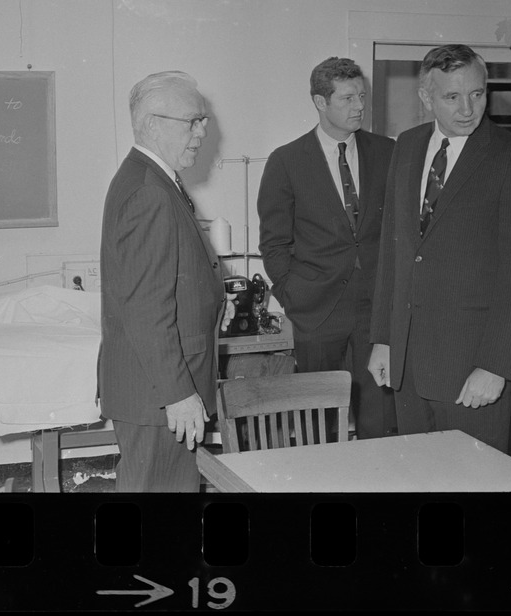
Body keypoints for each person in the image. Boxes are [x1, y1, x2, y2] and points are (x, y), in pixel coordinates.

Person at [367, 44, 511, 454]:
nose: (468, 109)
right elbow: (393, 253)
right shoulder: (407, 146)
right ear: (426, 98)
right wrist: (383, 337)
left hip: (471, 367)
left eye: (477, 94)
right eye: (452, 97)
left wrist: (495, 366)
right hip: (407, 363)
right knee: (417, 479)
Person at [97, 71, 234, 493]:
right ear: (154, 124)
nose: (203, 131)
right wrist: (178, 394)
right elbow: (145, 308)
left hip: (153, 388)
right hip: (159, 394)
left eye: (204, 121)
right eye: (192, 121)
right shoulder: (149, 192)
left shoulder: (152, 180)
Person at [257, 57, 397, 439]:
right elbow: (273, 242)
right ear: (320, 102)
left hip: (375, 310)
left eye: (362, 96)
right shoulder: (286, 161)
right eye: (348, 98)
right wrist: (292, 294)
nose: (359, 107)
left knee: (380, 416)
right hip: (316, 309)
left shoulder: (388, 152)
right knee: (319, 422)